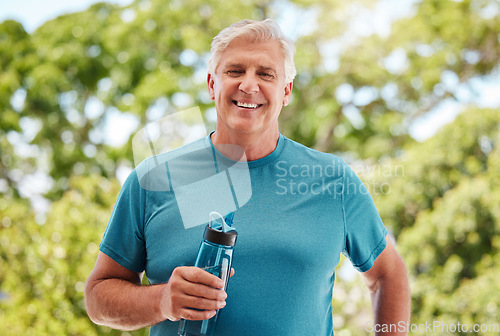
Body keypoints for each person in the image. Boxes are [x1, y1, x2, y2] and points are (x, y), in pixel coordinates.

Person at [85, 19, 410, 336]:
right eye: (235, 71)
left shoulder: (332, 180)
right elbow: (98, 296)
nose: (249, 85)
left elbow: (387, 274)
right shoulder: (154, 180)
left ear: (286, 91)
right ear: (212, 85)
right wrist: (162, 300)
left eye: (265, 74)